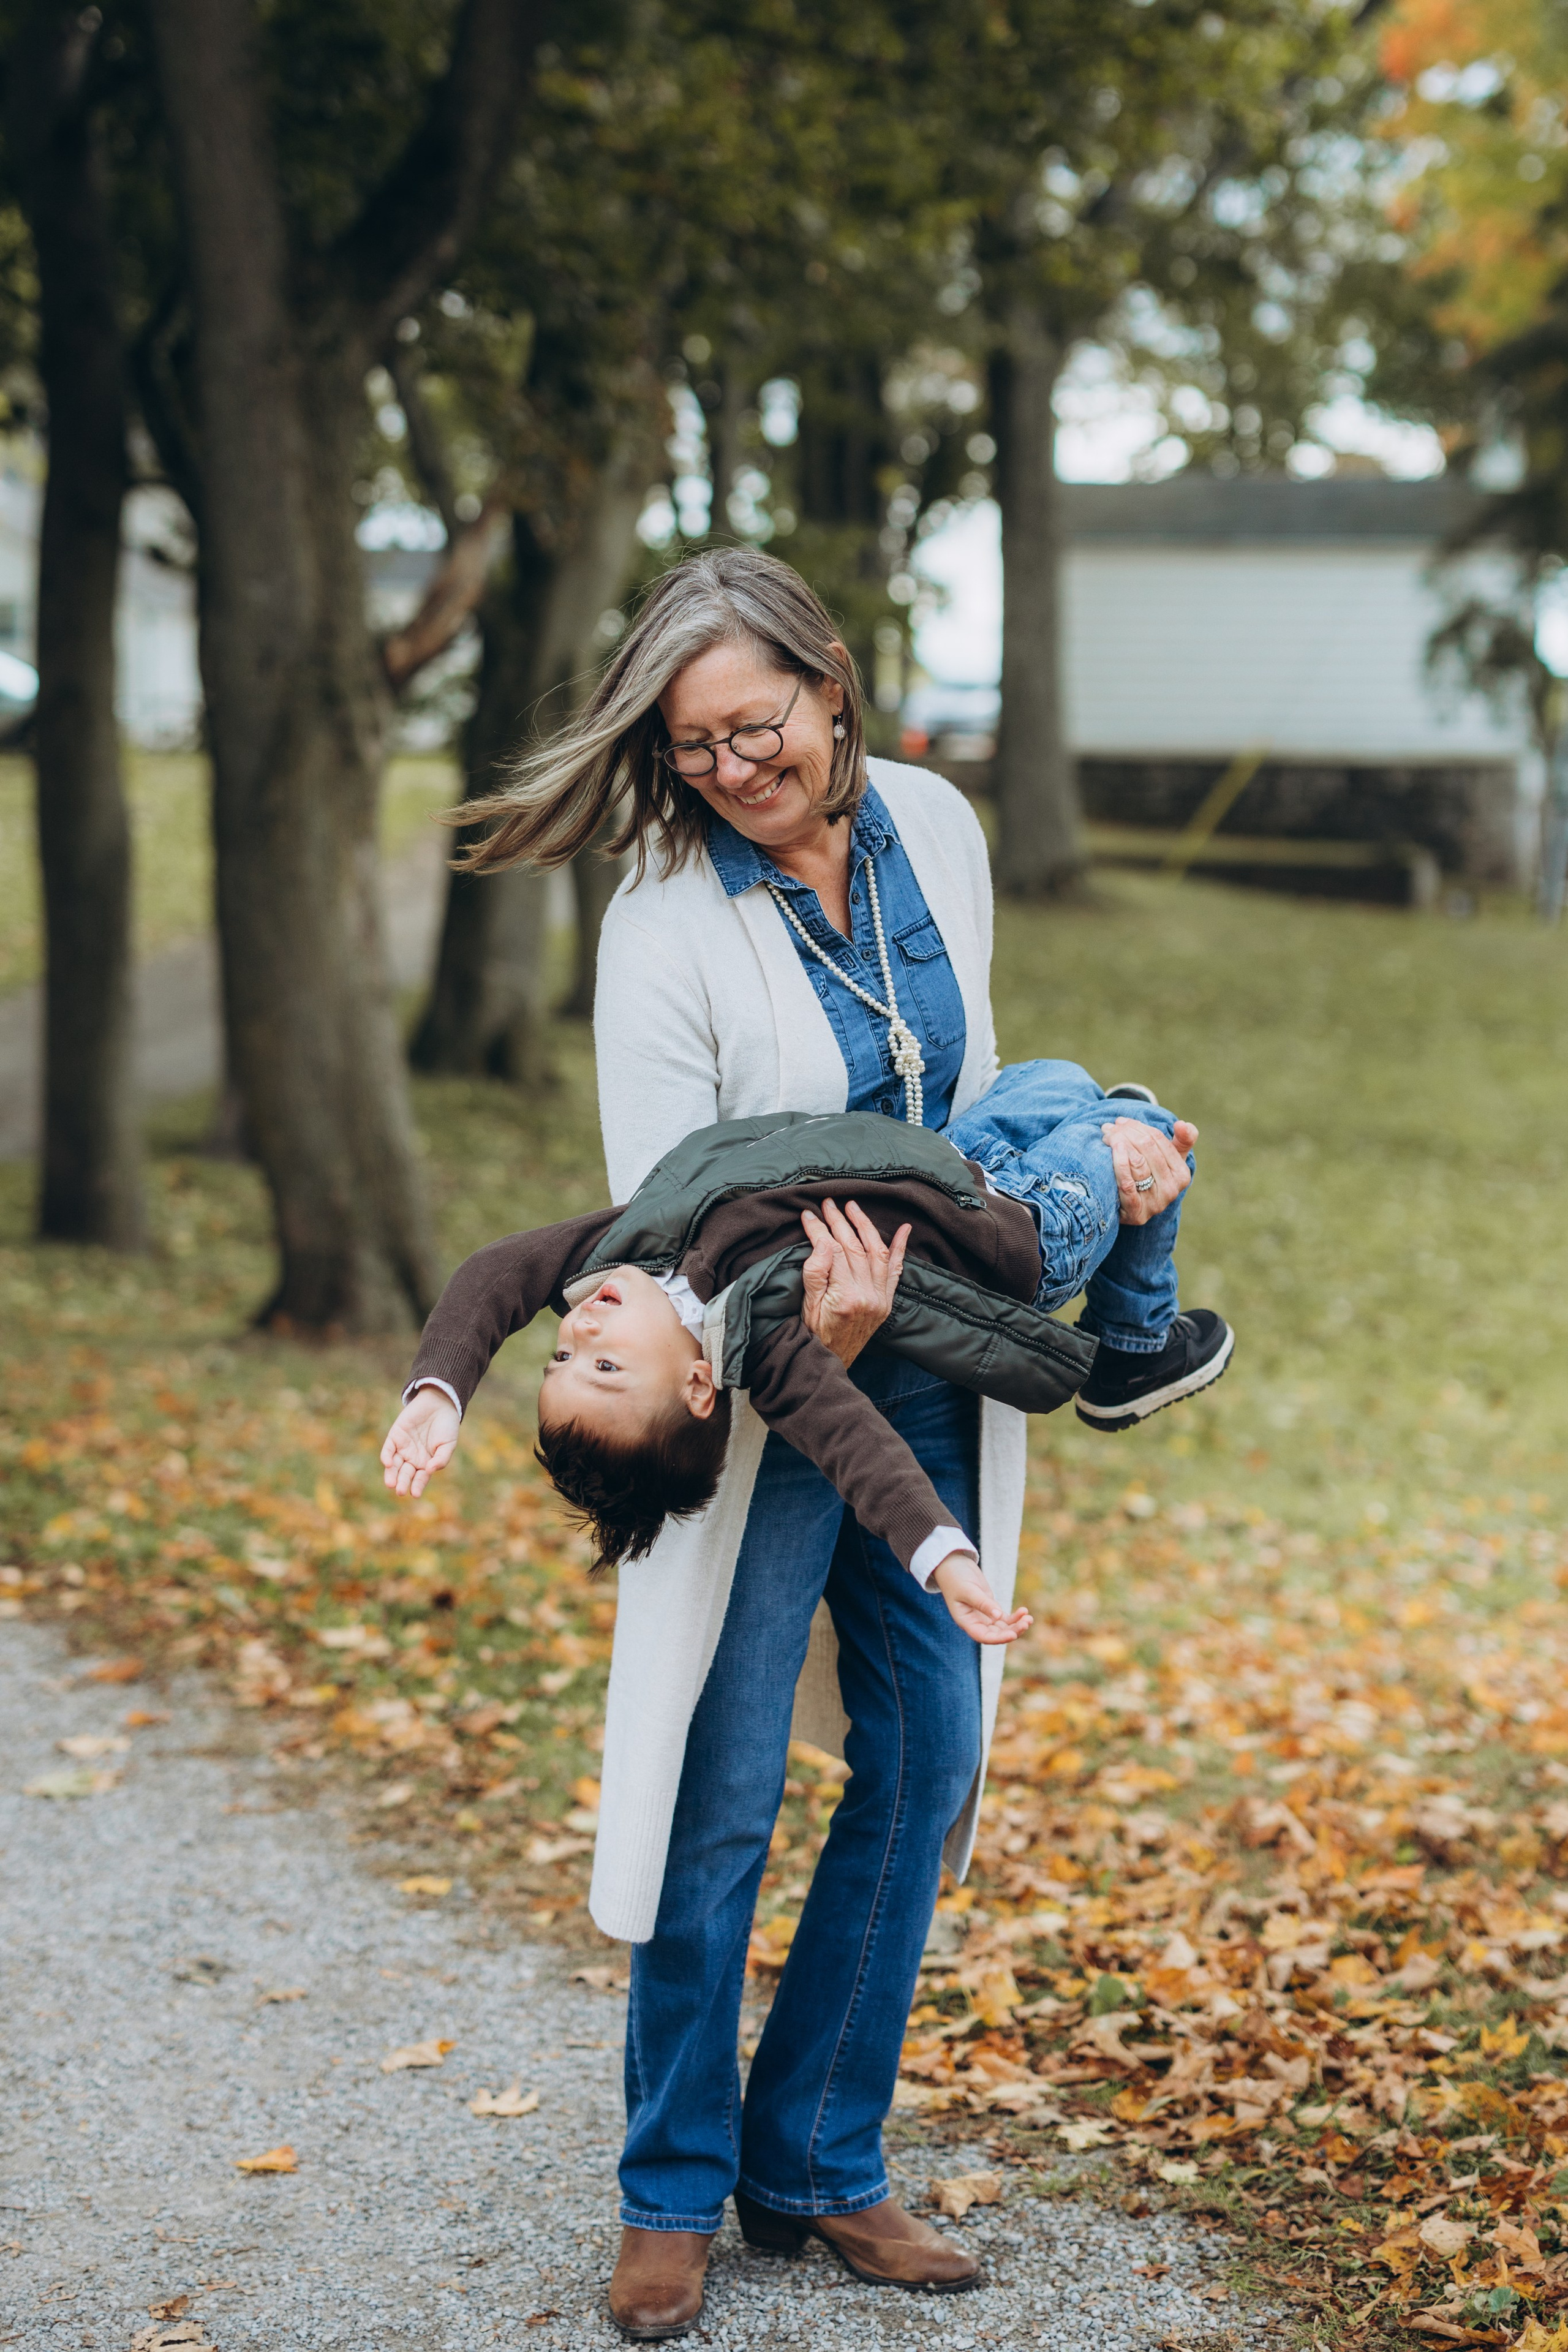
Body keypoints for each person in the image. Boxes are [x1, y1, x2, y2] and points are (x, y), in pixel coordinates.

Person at [394, 548, 1199, 2341]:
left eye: (754, 726)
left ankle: (821, 2159)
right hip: (756, 1388)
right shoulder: (662, 924)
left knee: (925, 1764)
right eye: (692, 748)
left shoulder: (937, 822)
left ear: (833, 690)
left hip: (930, 1364)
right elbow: (652, 1222)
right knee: (719, 1786)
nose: (730, 769)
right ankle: (672, 2188)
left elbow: (965, 1091)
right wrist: (806, 1330)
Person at [380, 1079, 1233, 1619]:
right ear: (700, 1385)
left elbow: (500, 1272)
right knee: (1139, 1128)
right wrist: (947, 1559)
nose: (578, 1334)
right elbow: (861, 1454)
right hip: (1028, 1237)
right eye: (605, 1368)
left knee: (1065, 1085)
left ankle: (1107, 1139)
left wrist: (437, 1391)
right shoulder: (773, 1348)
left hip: (965, 1166)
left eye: (560, 1360)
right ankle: (1133, 1344)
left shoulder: (628, 1248)